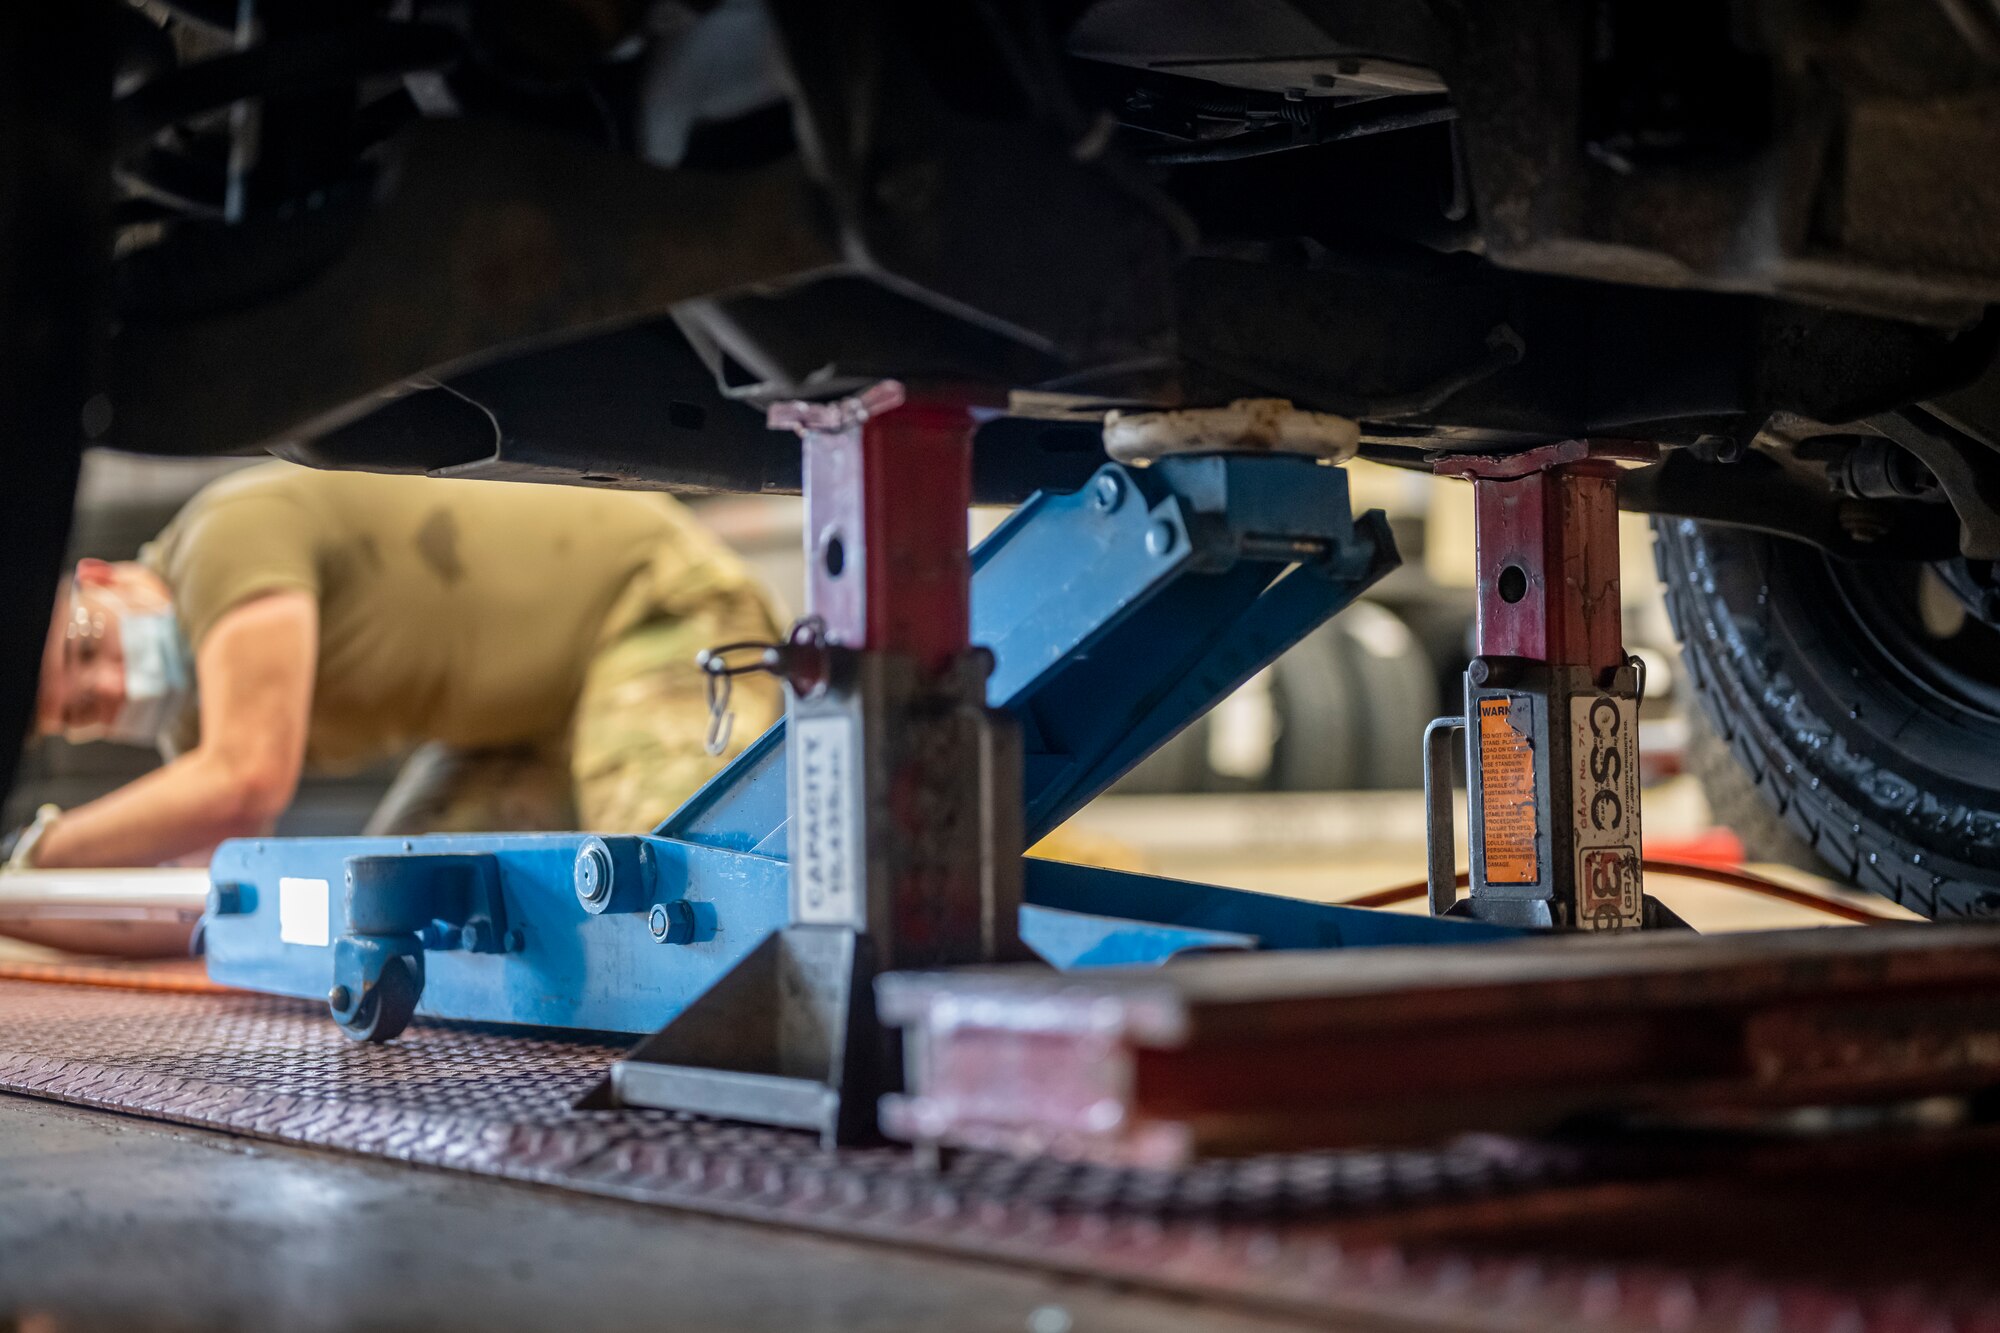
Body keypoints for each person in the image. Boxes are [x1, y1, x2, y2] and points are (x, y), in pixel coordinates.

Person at [8, 463, 784, 870]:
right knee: (400, 916)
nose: (109, 687)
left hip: (651, 609)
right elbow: (207, 902)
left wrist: (34, 855)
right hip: (519, 725)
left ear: (100, 576)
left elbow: (244, 783)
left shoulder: (221, 539)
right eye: (80, 712)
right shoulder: (196, 720)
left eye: (86, 647)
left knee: (664, 884)